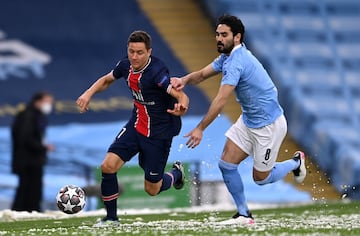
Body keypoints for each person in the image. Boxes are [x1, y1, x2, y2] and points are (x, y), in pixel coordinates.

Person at [171, 15, 306, 225]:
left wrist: (200, 128)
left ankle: (296, 162)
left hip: (268, 126)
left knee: (261, 179)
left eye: (224, 35)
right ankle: (244, 214)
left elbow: (221, 100)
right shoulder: (228, 56)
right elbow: (202, 74)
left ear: (237, 37)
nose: (219, 38)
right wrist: (184, 80)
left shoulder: (237, 61)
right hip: (249, 120)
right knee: (226, 164)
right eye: (217, 34)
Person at [77, 30, 189, 227]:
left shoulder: (157, 72)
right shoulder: (125, 65)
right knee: (108, 166)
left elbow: (181, 95)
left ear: (149, 52)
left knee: (152, 189)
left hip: (158, 134)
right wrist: (88, 93)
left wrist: (182, 105)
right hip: (136, 126)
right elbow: (106, 80)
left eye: (139, 52)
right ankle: (111, 219)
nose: (134, 57)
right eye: (131, 52)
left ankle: (176, 174)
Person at [11, 91, 54, 212]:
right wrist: (43, 147)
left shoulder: (37, 116)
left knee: (33, 188)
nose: (50, 105)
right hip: (28, 160)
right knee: (27, 188)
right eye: (47, 102)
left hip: (33, 160)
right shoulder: (28, 116)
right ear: (38, 101)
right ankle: (25, 211)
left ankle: (31, 210)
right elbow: (25, 138)